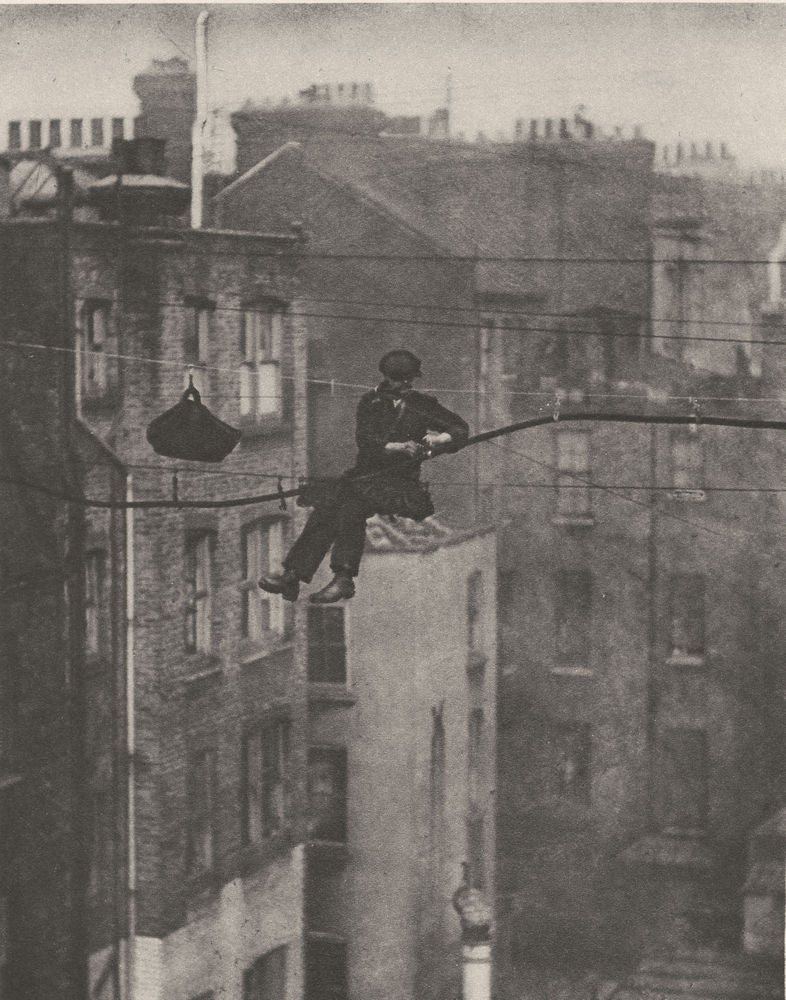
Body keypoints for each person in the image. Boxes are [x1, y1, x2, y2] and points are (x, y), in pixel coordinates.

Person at [259, 349, 469, 604]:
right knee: (327, 508)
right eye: (399, 379)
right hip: (363, 477)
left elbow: (460, 429)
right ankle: (293, 575)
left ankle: (343, 578)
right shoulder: (370, 403)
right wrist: (398, 446)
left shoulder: (422, 404)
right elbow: (366, 441)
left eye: (409, 379)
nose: (405, 384)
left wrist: (439, 439)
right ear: (387, 377)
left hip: (398, 483)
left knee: (351, 507)